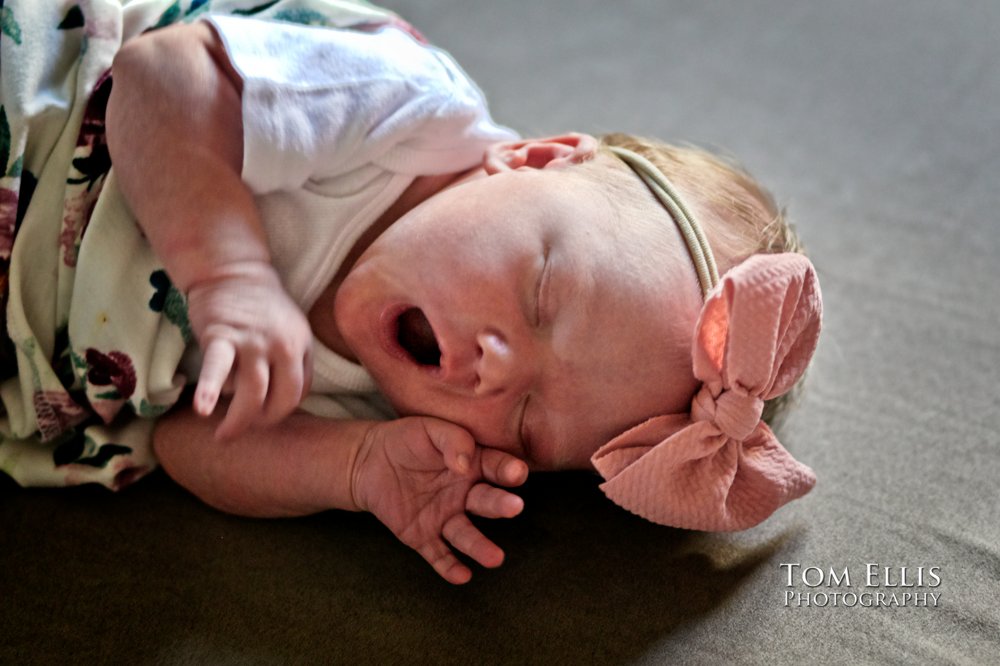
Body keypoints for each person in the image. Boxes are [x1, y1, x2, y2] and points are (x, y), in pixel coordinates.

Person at [0, 0, 822, 584]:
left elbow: (188, 442)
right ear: (533, 159)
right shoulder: (404, 113)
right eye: (541, 293)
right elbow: (162, 80)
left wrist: (350, 469)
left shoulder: (392, 417)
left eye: (529, 420)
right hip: (46, 116)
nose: (492, 370)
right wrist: (229, 275)